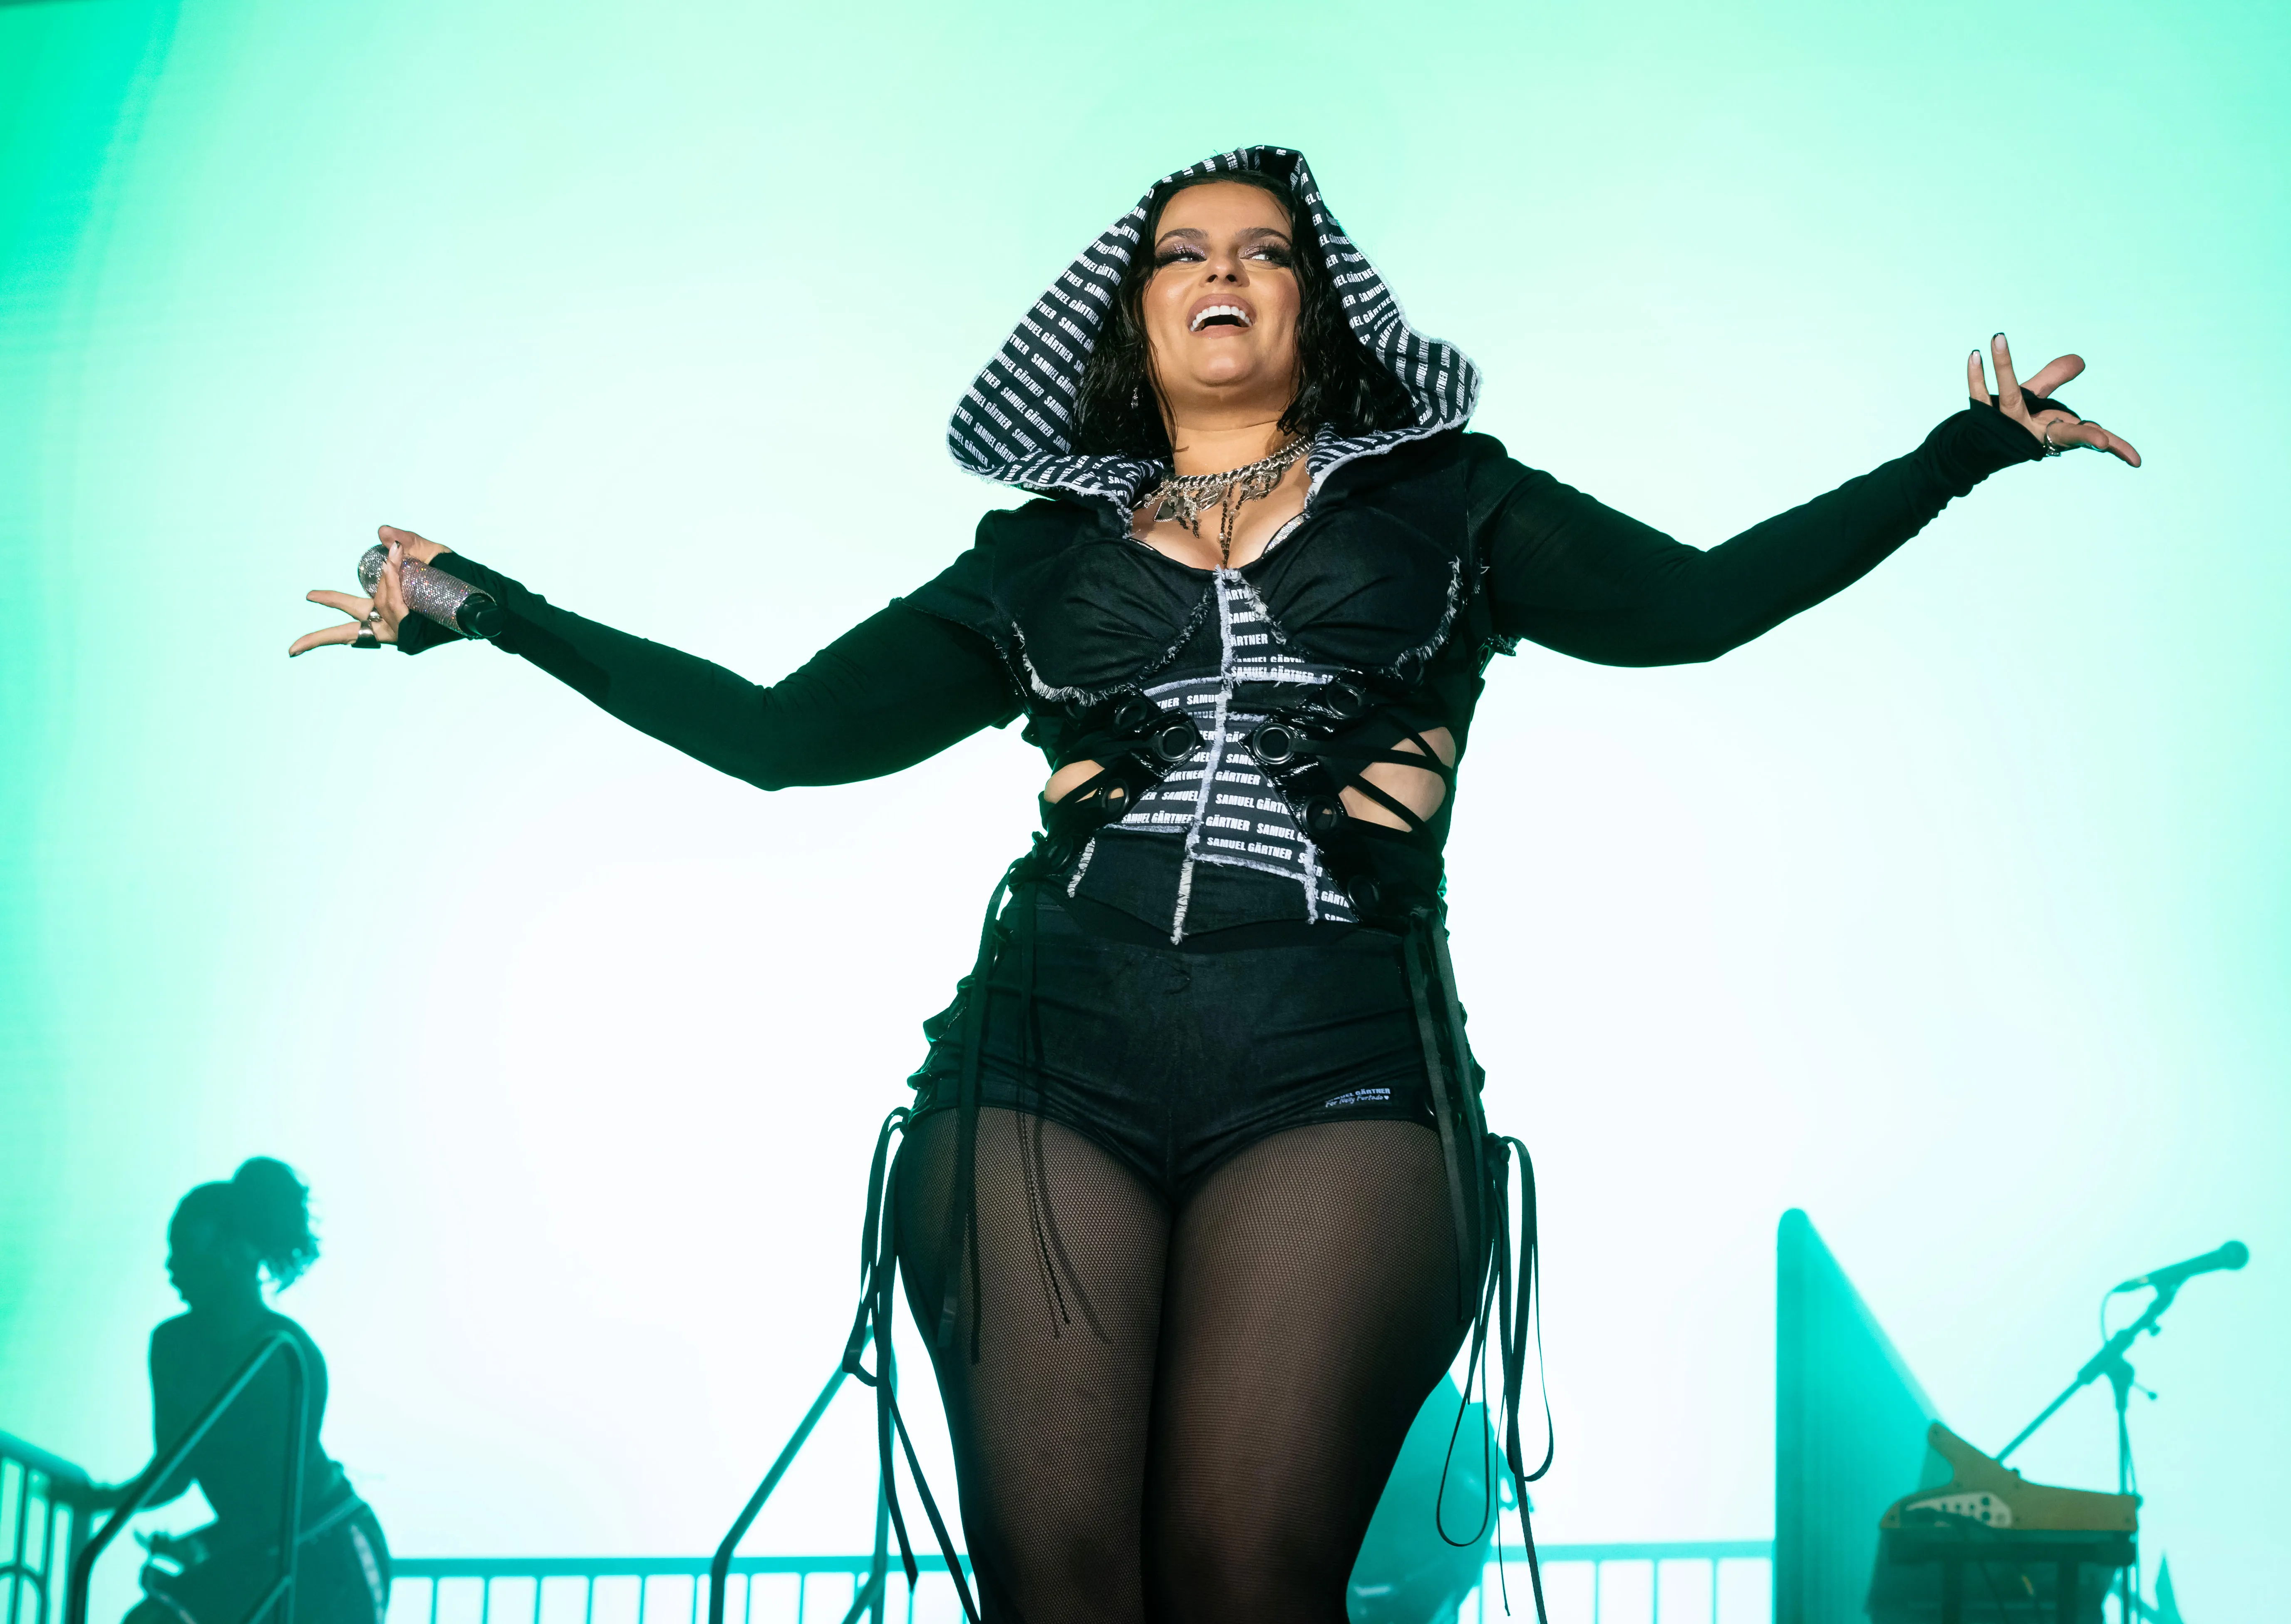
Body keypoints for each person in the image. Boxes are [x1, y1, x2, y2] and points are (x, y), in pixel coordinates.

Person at [288, 147, 2136, 1624]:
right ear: (1134, 308)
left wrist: (1959, 453)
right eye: (1183, 249)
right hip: (1041, 1063)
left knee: (1248, 1577)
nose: (1222, 269)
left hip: (1335, 1056)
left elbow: (1702, 605)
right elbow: (783, 736)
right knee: (1067, 1594)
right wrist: (490, 613)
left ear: (1313, 304)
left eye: (1263, 246)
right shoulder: (1033, 559)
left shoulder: (1452, 504)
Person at [87, 1159, 389, 1624]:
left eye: (183, 1247)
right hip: (264, 1546)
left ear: (236, 1252)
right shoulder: (170, 1345)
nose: (170, 1265)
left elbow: (275, 1500)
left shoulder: (289, 1356)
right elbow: (173, 1471)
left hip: (330, 1543)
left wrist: (205, 1544)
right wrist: (101, 1499)